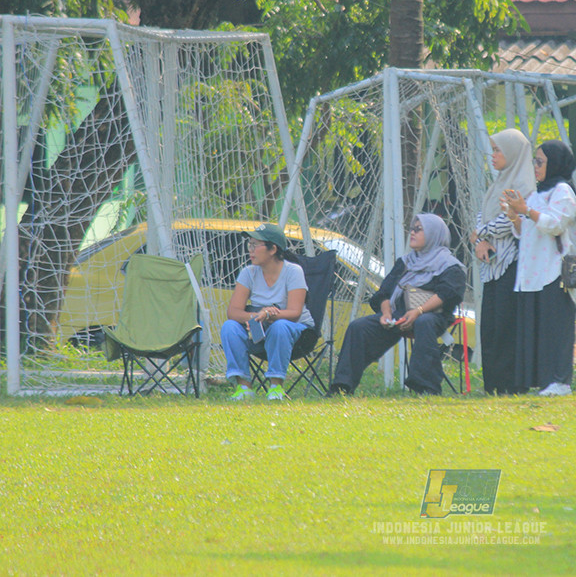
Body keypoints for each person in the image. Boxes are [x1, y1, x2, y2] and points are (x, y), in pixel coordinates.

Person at [329, 213, 466, 395]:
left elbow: (447, 294)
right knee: (358, 327)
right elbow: (384, 292)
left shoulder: (450, 265)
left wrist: (418, 311)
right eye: (412, 229)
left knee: (423, 322)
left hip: (433, 316)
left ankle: (426, 387)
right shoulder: (406, 261)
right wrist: (386, 314)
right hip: (398, 315)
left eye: (419, 229)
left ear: (434, 234)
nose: (413, 233)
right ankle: (342, 386)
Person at [502, 140, 576, 397]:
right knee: (537, 327)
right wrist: (515, 215)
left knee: (556, 327)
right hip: (533, 271)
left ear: (554, 163)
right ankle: (542, 380)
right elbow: (524, 233)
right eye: (534, 161)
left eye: (540, 161)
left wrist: (527, 210)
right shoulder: (537, 194)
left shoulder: (563, 192)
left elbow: (554, 224)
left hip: (555, 270)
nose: (535, 167)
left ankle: (560, 381)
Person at [469, 128, 535, 395]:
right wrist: (477, 242)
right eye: (493, 150)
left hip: (512, 266)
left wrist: (479, 234)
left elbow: (504, 225)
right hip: (491, 266)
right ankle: (492, 386)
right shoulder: (497, 184)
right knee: (491, 327)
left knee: (507, 326)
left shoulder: (524, 188)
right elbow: (480, 216)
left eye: (498, 150)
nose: (493, 156)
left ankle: (510, 386)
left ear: (512, 153)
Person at [220, 223, 314, 401]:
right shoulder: (249, 273)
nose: (251, 250)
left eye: (255, 245)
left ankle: (276, 387)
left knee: (280, 326)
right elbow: (233, 312)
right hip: (259, 330)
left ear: (273, 249)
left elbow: (294, 312)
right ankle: (243, 387)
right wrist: (256, 316)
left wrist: (271, 314)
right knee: (229, 327)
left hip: (296, 331)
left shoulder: (293, 271)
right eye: (250, 245)